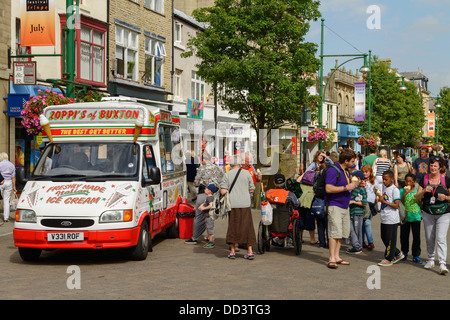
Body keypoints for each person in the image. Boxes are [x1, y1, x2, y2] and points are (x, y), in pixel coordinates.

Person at [324, 148, 361, 268]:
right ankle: (331, 258)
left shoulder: (346, 170)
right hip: (335, 205)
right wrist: (346, 188)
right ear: (346, 161)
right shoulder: (333, 170)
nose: (353, 164)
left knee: (341, 233)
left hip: (345, 205)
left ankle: (337, 256)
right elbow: (328, 188)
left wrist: (356, 185)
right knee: (334, 232)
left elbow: (348, 186)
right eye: (352, 161)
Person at [414, 156, 450, 274]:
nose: (433, 168)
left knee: (441, 238)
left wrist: (445, 197)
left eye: (435, 166)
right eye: (431, 165)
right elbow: (416, 197)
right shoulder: (424, 179)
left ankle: (442, 263)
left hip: (444, 213)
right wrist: (424, 191)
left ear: (440, 167)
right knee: (429, 237)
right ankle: (430, 259)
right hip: (428, 212)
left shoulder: (446, 180)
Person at [220, 155, 256, 260]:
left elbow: (223, 191)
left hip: (233, 204)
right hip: (245, 204)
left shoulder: (227, 175)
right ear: (240, 164)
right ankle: (249, 251)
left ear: (230, 165)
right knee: (248, 226)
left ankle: (232, 251)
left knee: (233, 226)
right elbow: (252, 189)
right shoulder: (247, 174)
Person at [185, 151, 223, 245]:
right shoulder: (217, 167)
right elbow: (222, 180)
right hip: (214, 195)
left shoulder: (202, 168)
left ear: (203, 160)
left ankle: (194, 238)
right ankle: (210, 236)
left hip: (203, 194)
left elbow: (196, 182)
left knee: (199, 216)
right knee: (211, 217)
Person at [374, 170, 404, 266]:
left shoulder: (395, 190)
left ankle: (389, 258)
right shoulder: (384, 187)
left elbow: (396, 205)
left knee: (390, 239)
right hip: (384, 217)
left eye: (386, 179)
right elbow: (384, 199)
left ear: (392, 179)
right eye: (383, 179)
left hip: (392, 218)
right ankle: (398, 253)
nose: (384, 181)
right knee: (384, 237)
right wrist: (378, 198)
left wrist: (384, 201)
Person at [265, 173, 300, 246]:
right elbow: (297, 204)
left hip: (272, 221)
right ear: (284, 183)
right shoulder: (290, 194)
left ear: (274, 183)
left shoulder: (268, 193)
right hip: (286, 223)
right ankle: (289, 237)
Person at [399, 173, 422, 263]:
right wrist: (404, 194)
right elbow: (399, 202)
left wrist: (419, 199)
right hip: (405, 217)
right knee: (404, 236)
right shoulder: (402, 190)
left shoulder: (417, 191)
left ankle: (416, 255)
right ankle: (404, 253)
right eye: (406, 181)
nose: (408, 183)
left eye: (410, 181)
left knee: (416, 237)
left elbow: (421, 204)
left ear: (414, 182)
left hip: (416, 217)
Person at [347, 170, 367, 254]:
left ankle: (358, 247)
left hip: (358, 213)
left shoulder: (361, 189)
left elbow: (364, 203)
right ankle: (356, 245)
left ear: (358, 178)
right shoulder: (353, 189)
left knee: (357, 230)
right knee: (351, 229)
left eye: (352, 176)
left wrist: (353, 202)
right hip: (351, 212)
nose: (350, 178)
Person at [198, 183, 218, 249]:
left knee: (210, 229)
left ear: (210, 191)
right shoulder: (209, 197)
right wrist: (202, 206)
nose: (204, 190)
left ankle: (211, 242)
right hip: (207, 216)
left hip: (209, 216)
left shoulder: (210, 198)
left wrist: (203, 208)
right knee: (209, 228)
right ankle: (209, 238)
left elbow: (211, 205)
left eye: (206, 189)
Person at [361, 164, 375, 250]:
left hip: (371, 204)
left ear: (370, 172)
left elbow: (378, 192)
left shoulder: (374, 181)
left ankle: (369, 242)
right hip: (363, 203)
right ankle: (365, 241)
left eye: (366, 172)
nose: (365, 174)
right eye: (363, 172)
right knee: (364, 223)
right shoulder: (361, 181)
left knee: (366, 222)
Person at [0, 152, 16, 223]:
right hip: (9, 182)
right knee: (6, 200)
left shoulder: (0, 164)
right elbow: (13, 177)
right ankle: (6, 217)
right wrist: (14, 186)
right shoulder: (11, 165)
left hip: (1, 182)